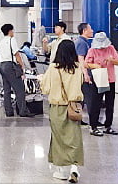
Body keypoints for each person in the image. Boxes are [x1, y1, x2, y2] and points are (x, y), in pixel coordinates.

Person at [39, 40, 84, 183]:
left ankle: (61, 171)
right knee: (74, 138)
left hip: (57, 107)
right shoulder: (77, 68)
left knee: (58, 139)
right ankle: (74, 168)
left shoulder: (53, 68)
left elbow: (45, 88)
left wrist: (41, 79)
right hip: (73, 107)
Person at [85, 32, 118, 136]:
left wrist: (111, 60)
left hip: (110, 80)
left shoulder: (111, 48)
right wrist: (95, 66)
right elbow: (86, 63)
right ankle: (93, 126)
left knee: (110, 104)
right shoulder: (92, 50)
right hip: (98, 80)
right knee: (96, 103)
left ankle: (108, 125)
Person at [0, 24, 33, 117]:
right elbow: (17, 54)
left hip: (2, 65)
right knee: (20, 89)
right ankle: (23, 111)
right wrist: (22, 66)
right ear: (10, 31)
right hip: (10, 66)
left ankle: (9, 111)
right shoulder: (12, 40)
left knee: (7, 90)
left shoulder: (1, 41)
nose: (13, 32)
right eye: (13, 31)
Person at [74, 23, 93, 126]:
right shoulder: (81, 43)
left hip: (81, 73)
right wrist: (85, 74)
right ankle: (92, 120)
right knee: (89, 97)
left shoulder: (83, 42)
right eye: (90, 29)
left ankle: (79, 118)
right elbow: (81, 59)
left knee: (82, 98)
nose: (92, 31)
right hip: (82, 74)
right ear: (84, 30)